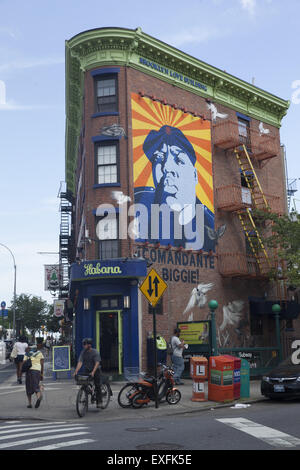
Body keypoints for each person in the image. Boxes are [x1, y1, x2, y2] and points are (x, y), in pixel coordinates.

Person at [134, 125, 215, 250]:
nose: (166, 167)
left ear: (194, 175)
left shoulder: (211, 225)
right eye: (159, 158)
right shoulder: (136, 205)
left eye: (178, 160)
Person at [74, 338, 102, 407]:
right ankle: (87, 397)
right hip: (87, 370)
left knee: (97, 385)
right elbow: (80, 362)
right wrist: (76, 371)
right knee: (84, 383)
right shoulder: (83, 352)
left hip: (96, 370)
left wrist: (93, 372)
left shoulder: (95, 352)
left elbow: (97, 363)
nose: (84, 346)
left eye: (85, 344)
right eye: (83, 344)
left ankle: (99, 401)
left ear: (89, 345)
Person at [23, 338, 44, 409]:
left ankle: (29, 403)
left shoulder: (28, 353)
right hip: (37, 370)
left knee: (28, 386)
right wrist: (42, 374)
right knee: (36, 385)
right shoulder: (40, 353)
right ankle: (38, 396)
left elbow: (24, 362)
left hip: (30, 371)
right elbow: (42, 364)